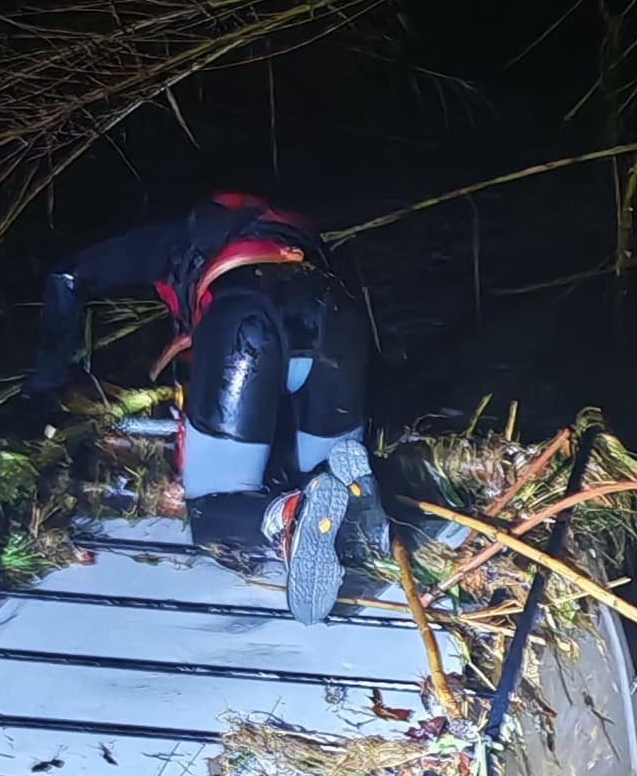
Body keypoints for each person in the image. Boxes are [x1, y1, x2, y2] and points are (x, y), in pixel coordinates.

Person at [22, 191, 389, 623]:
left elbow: (68, 276)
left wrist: (45, 385)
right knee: (319, 474)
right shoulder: (292, 228)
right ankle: (355, 501)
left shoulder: (172, 239)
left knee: (212, 510)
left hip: (247, 320)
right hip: (336, 313)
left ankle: (288, 519)